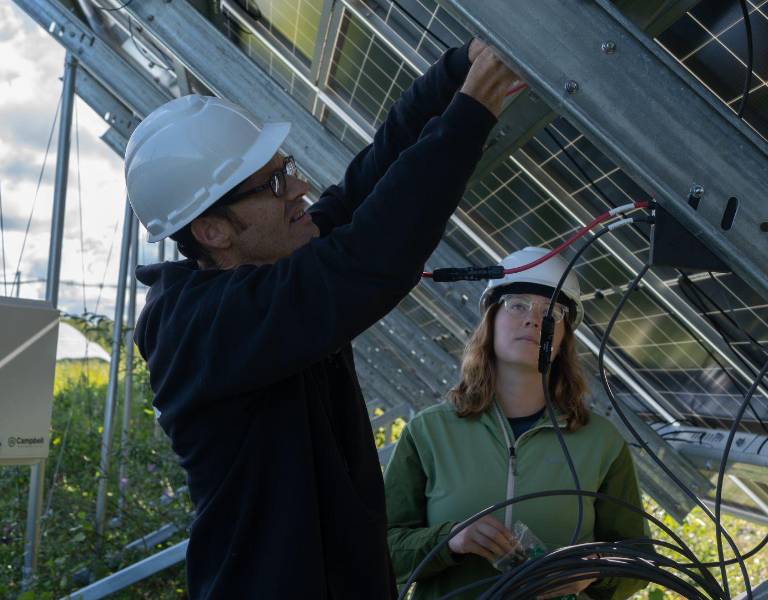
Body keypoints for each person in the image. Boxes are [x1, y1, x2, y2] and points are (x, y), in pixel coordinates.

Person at [124, 38, 519, 598]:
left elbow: (363, 189)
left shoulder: (269, 270)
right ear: (213, 230)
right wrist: (471, 112)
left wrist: (458, 69)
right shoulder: (202, 327)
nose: (301, 188)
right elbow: (368, 256)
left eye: (286, 169)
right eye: (276, 184)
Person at [384, 247, 650, 600]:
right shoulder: (429, 432)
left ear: (564, 338)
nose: (533, 319)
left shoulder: (600, 441)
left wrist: (595, 566)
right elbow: (380, 546)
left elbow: (641, 558)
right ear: (490, 320)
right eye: (517, 304)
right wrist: (449, 540)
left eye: (551, 312)